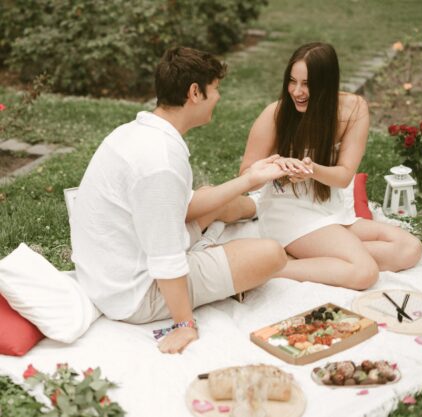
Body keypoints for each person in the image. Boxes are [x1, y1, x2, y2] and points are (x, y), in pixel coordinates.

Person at [70, 47, 287, 354]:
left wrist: (251, 179)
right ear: (195, 92)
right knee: (271, 254)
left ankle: (259, 206)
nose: (218, 97)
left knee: (212, 197)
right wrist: (184, 324)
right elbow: (165, 256)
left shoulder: (137, 132)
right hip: (134, 292)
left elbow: (182, 207)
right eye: (215, 89)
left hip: (113, 264)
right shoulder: (160, 161)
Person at [240, 42, 422, 290]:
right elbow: (246, 175)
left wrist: (311, 169)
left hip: (331, 210)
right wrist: (277, 166)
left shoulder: (354, 109)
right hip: (289, 214)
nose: (297, 91)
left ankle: (317, 258)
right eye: (292, 81)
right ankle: (263, 271)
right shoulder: (275, 114)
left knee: (409, 249)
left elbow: (344, 177)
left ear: (327, 84)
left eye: (306, 84)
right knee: (364, 272)